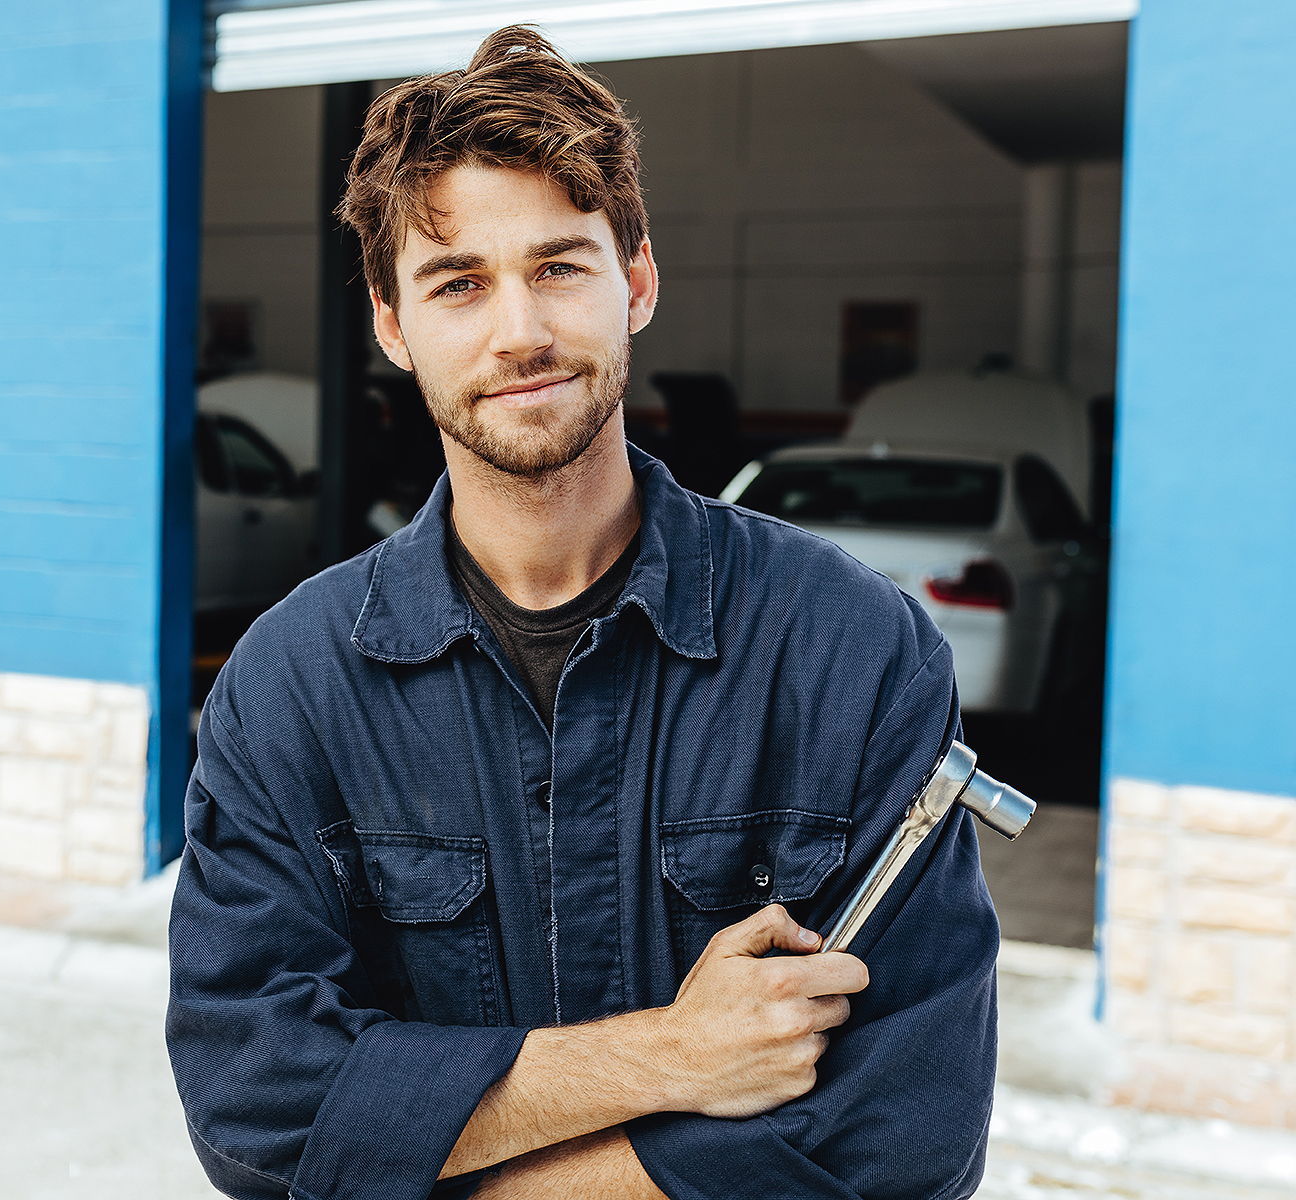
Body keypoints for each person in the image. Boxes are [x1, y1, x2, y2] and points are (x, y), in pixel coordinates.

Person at [166, 26, 997, 1200]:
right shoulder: (291, 685)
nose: (520, 332)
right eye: (459, 283)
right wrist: (670, 1057)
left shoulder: (849, 650)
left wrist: (418, 1162)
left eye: (559, 265)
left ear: (638, 281)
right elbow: (254, 1106)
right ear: (393, 326)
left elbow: (907, 1139)